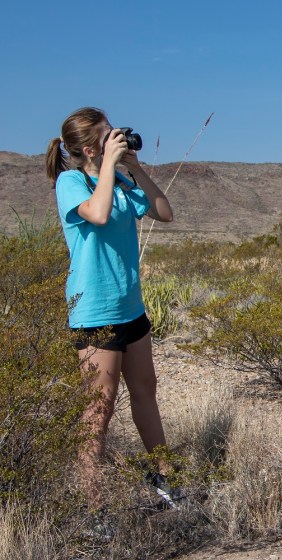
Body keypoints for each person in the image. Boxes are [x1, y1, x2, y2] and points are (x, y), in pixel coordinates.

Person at [45, 107, 179, 523]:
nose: (118, 138)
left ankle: (166, 477)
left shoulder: (120, 179)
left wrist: (134, 169)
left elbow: (164, 212)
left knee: (145, 390)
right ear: (90, 149)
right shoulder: (71, 182)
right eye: (108, 136)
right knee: (98, 408)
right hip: (94, 313)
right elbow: (98, 214)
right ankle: (94, 506)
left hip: (130, 307)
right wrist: (108, 168)